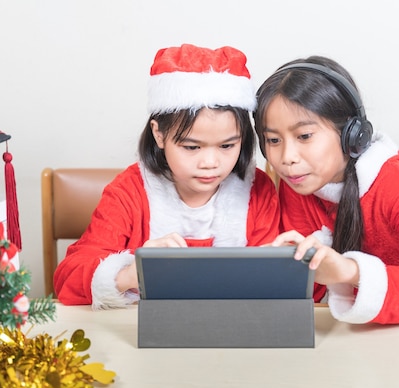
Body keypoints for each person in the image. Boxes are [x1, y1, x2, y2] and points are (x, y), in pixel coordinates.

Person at [54, 44, 280, 308]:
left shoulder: (258, 189)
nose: (210, 163)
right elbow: (68, 279)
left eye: (227, 146)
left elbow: (272, 283)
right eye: (192, 147)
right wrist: (127, 274)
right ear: (159, 134)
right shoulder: (129, 190)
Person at [254, 56, 399, 325]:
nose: (287, 157)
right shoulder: (298, 179)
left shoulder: (393, 182)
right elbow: (309, 294)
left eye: (304, 136)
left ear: (351, 133)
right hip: (350, 332)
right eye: (273, 140)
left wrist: (350, 271)